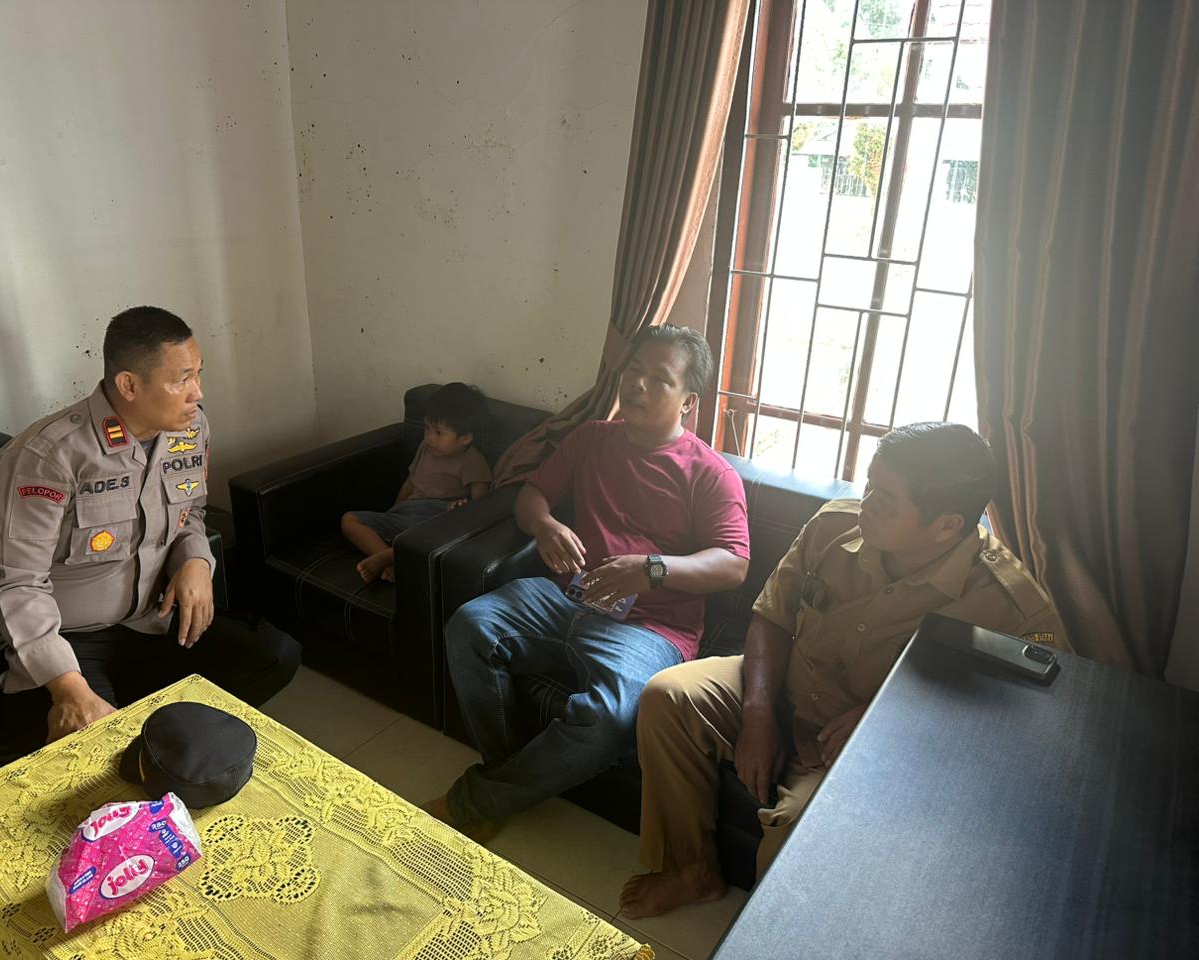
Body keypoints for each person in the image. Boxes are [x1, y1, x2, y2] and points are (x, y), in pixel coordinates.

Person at [618, 422, 1070, 919]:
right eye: (870, 484)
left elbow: (1016, 737)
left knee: (800, 832)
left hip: (869, 752)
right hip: (787, 686)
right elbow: (772, 615)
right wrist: (758, 712)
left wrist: (889, 719)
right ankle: (691, 870)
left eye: (885, 500)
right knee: (668, 696)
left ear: (946, 525)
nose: (867, 503)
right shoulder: (835, 525)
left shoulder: (1013, 610)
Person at [426, 324, 751, 840]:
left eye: (659, 379)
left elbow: (733, 563)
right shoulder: (592, 438)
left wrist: (652, 569)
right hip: (565, 596)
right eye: (633, 371)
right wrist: (545, 525)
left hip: (651, 629)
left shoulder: (710, 473)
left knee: (611, 716)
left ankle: (480, 800)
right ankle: (508, 779)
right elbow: (531, 496)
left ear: (688, 402)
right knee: (469, 625)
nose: (638, 385)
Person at [0, 306, 300, 757]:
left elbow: (191, 512)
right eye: (182, 379)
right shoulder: (47, 457)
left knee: (274, 655)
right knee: (98, 752)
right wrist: (70, 689)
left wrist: (196, 559)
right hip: (65, 644)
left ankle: (167, 743)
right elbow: (17, 585)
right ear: (128, 385)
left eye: (198, 374)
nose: (198, 392)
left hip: (149, 622)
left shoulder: (191, 429)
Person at [341, 382, 491, 583]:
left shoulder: (473, 461)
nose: (430, 437)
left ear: (465, 438)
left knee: (439, 535)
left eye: (439, 433)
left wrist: (460, 509)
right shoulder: (425, 448)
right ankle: (390, 559)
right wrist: (394, 511)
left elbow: (481, 508)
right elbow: (410, 482)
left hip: (436, 518)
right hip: (407, 514)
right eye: (427, 428)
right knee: (349, 520)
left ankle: (391, 556)